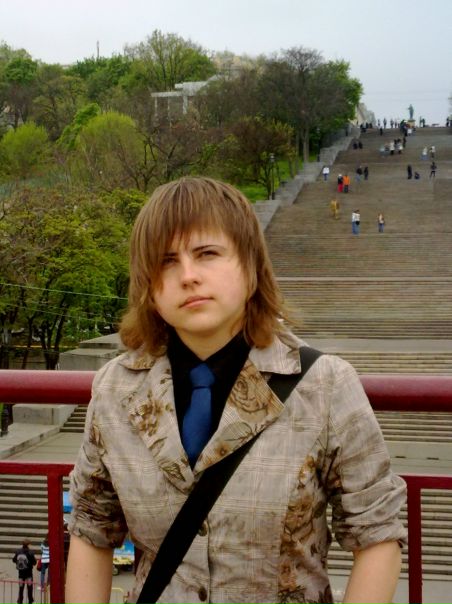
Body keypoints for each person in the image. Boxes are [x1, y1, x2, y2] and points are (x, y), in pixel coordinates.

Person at [66, 176, 407, 604]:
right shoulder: (116, 389)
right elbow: (92, 529)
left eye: (207, 253)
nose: (188, 276)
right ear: (148, 287)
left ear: (250, 265)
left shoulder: (324, 385)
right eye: (167, 261)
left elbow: (377, 536)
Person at [13, 539, 36, 604]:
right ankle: (30, 600)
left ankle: (20, 600)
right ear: (28, 544)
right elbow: (34, 562)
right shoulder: (31, 552)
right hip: (29, 574)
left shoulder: (18, 551)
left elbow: (14, 560)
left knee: (21, 588)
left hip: (21, 573)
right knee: (30, 588)